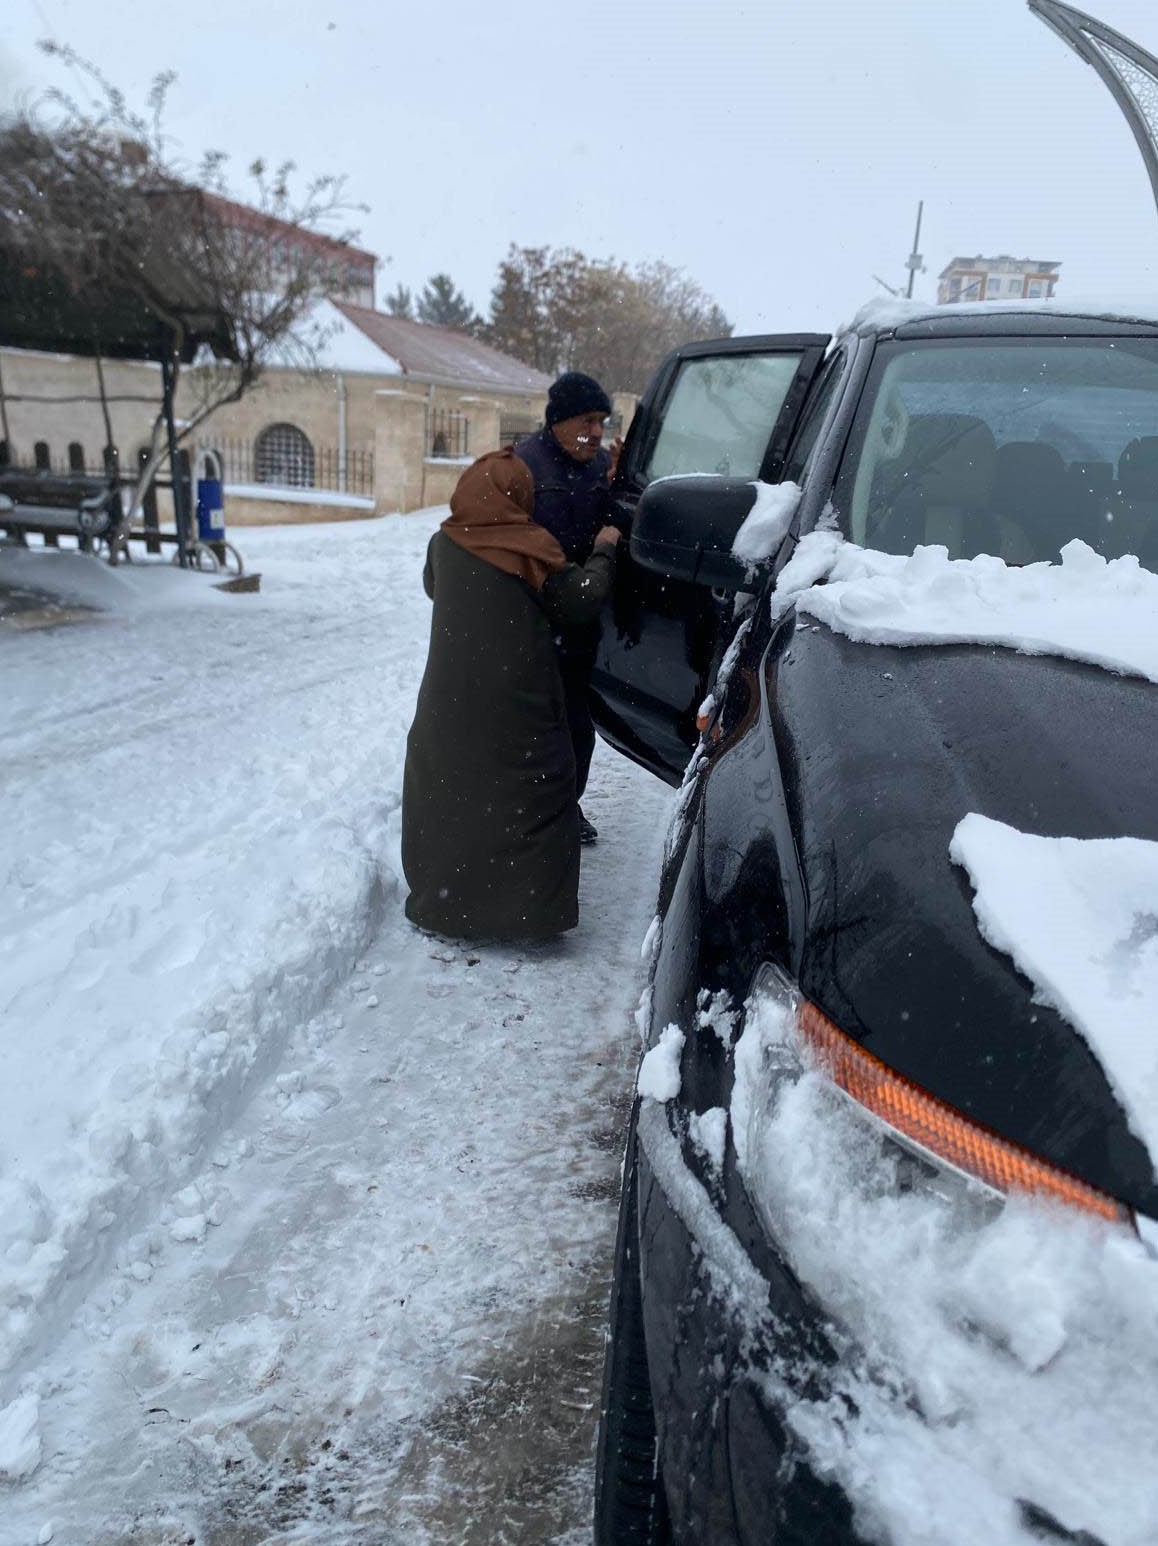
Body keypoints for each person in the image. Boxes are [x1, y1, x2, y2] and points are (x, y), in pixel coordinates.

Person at [401, 448, 620, 940]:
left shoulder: (444, 543)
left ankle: (446, 903)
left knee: (452, 791)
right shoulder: (530, 548)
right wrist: (605, 549)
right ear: (517, 496)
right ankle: (527, 912)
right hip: (516, 702)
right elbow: (581, 599)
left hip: (448, 705)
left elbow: (434, 586)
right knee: (533, 787)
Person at [513, 372, 623, 845]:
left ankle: (564, 808)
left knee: (579, 731)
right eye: (587, 420)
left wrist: (619, 484)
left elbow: (614, 521)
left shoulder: (600, 466)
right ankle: (528, 820)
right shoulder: (523, 469)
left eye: (601, 420)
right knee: (535, 735)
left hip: (580, 626)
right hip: (533, 627)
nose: (597, 431)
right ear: (557, 421)